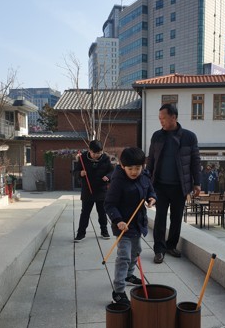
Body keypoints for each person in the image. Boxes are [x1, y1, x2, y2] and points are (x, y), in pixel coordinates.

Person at [147, 104, 201, 264]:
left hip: (180, 187)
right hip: (160, 186)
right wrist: (146, 183)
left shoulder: (189, 137)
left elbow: (195, 161)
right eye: (159, 118)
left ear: (174, 117)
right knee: (160, 218)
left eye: (163, 118)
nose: (161, 121)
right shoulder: (157, 136)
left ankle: (171, 246)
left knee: (177, 218)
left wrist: (197, 183)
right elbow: (151, 161)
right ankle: (159, 250)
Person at [104, 147, 156, 305]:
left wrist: (152, 198)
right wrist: (118, 220)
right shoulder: (118, 181)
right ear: (122, 165)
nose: (134, 172)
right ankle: (118, 291)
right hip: (123, 225)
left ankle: (128, 275)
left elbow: (150, 191)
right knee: (124, 256)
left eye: (138, 168)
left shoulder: (144, 176)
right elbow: (109, 204)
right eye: (130, 168)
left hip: (138, 223)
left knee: (136, 251)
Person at [73, 140, 113, 242]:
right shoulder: (82, 158)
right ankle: (81, 234)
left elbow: (112, 171)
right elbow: (74, 172)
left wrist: (108, 176)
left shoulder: (105, 159)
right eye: (94, 153)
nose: (96, 155)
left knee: (102, 213)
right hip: (87, 190)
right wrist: (80, 173)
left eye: (99, 153)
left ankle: (104, 231)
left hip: (101, 190)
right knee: (85, 213)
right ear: (89, 150)